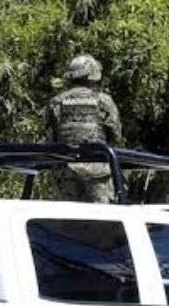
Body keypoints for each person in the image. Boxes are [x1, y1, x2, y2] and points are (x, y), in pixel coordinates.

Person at [46, 54, 121, 203]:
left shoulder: (56, 102)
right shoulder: (103, 101)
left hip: (65, 172)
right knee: (102, 220)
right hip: (97, 173)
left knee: (65, 222)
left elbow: (52, 137)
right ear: (91, 76)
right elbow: (115, 134)